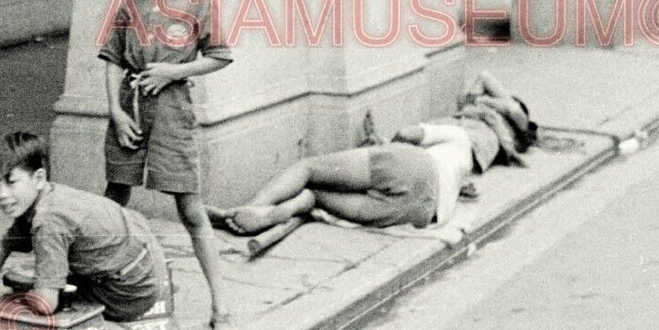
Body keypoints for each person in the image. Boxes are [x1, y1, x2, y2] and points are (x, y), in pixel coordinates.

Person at [98, 0, 237, 330]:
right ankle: (98, 293)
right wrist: (115, 112)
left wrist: (171, 73)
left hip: (173, 109)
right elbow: (111, 59)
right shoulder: (130, 0)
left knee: (191, 210)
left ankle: (222, 305)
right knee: (113, 205)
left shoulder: (198, 0)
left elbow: (219, 56)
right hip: (131, 108)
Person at [0, 131, 171, 330]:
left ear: (39, 178)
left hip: (131, 289)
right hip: (142, 263)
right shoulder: (43, 196)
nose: (2, 195)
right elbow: (2, 246)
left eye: (11, 182)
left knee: (25, 310)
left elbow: (45, 303)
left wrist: (11, 309)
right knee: (25, 283)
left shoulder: (48, 221)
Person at [210, 72, 536, 236]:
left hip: (417, 166)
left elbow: (410, 135)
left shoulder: (467, 133)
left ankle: (253, 209)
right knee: (317, 197)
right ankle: (275, 215)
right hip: (427, 211)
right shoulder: (483, 153)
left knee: (309, 168)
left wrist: (386, 146)